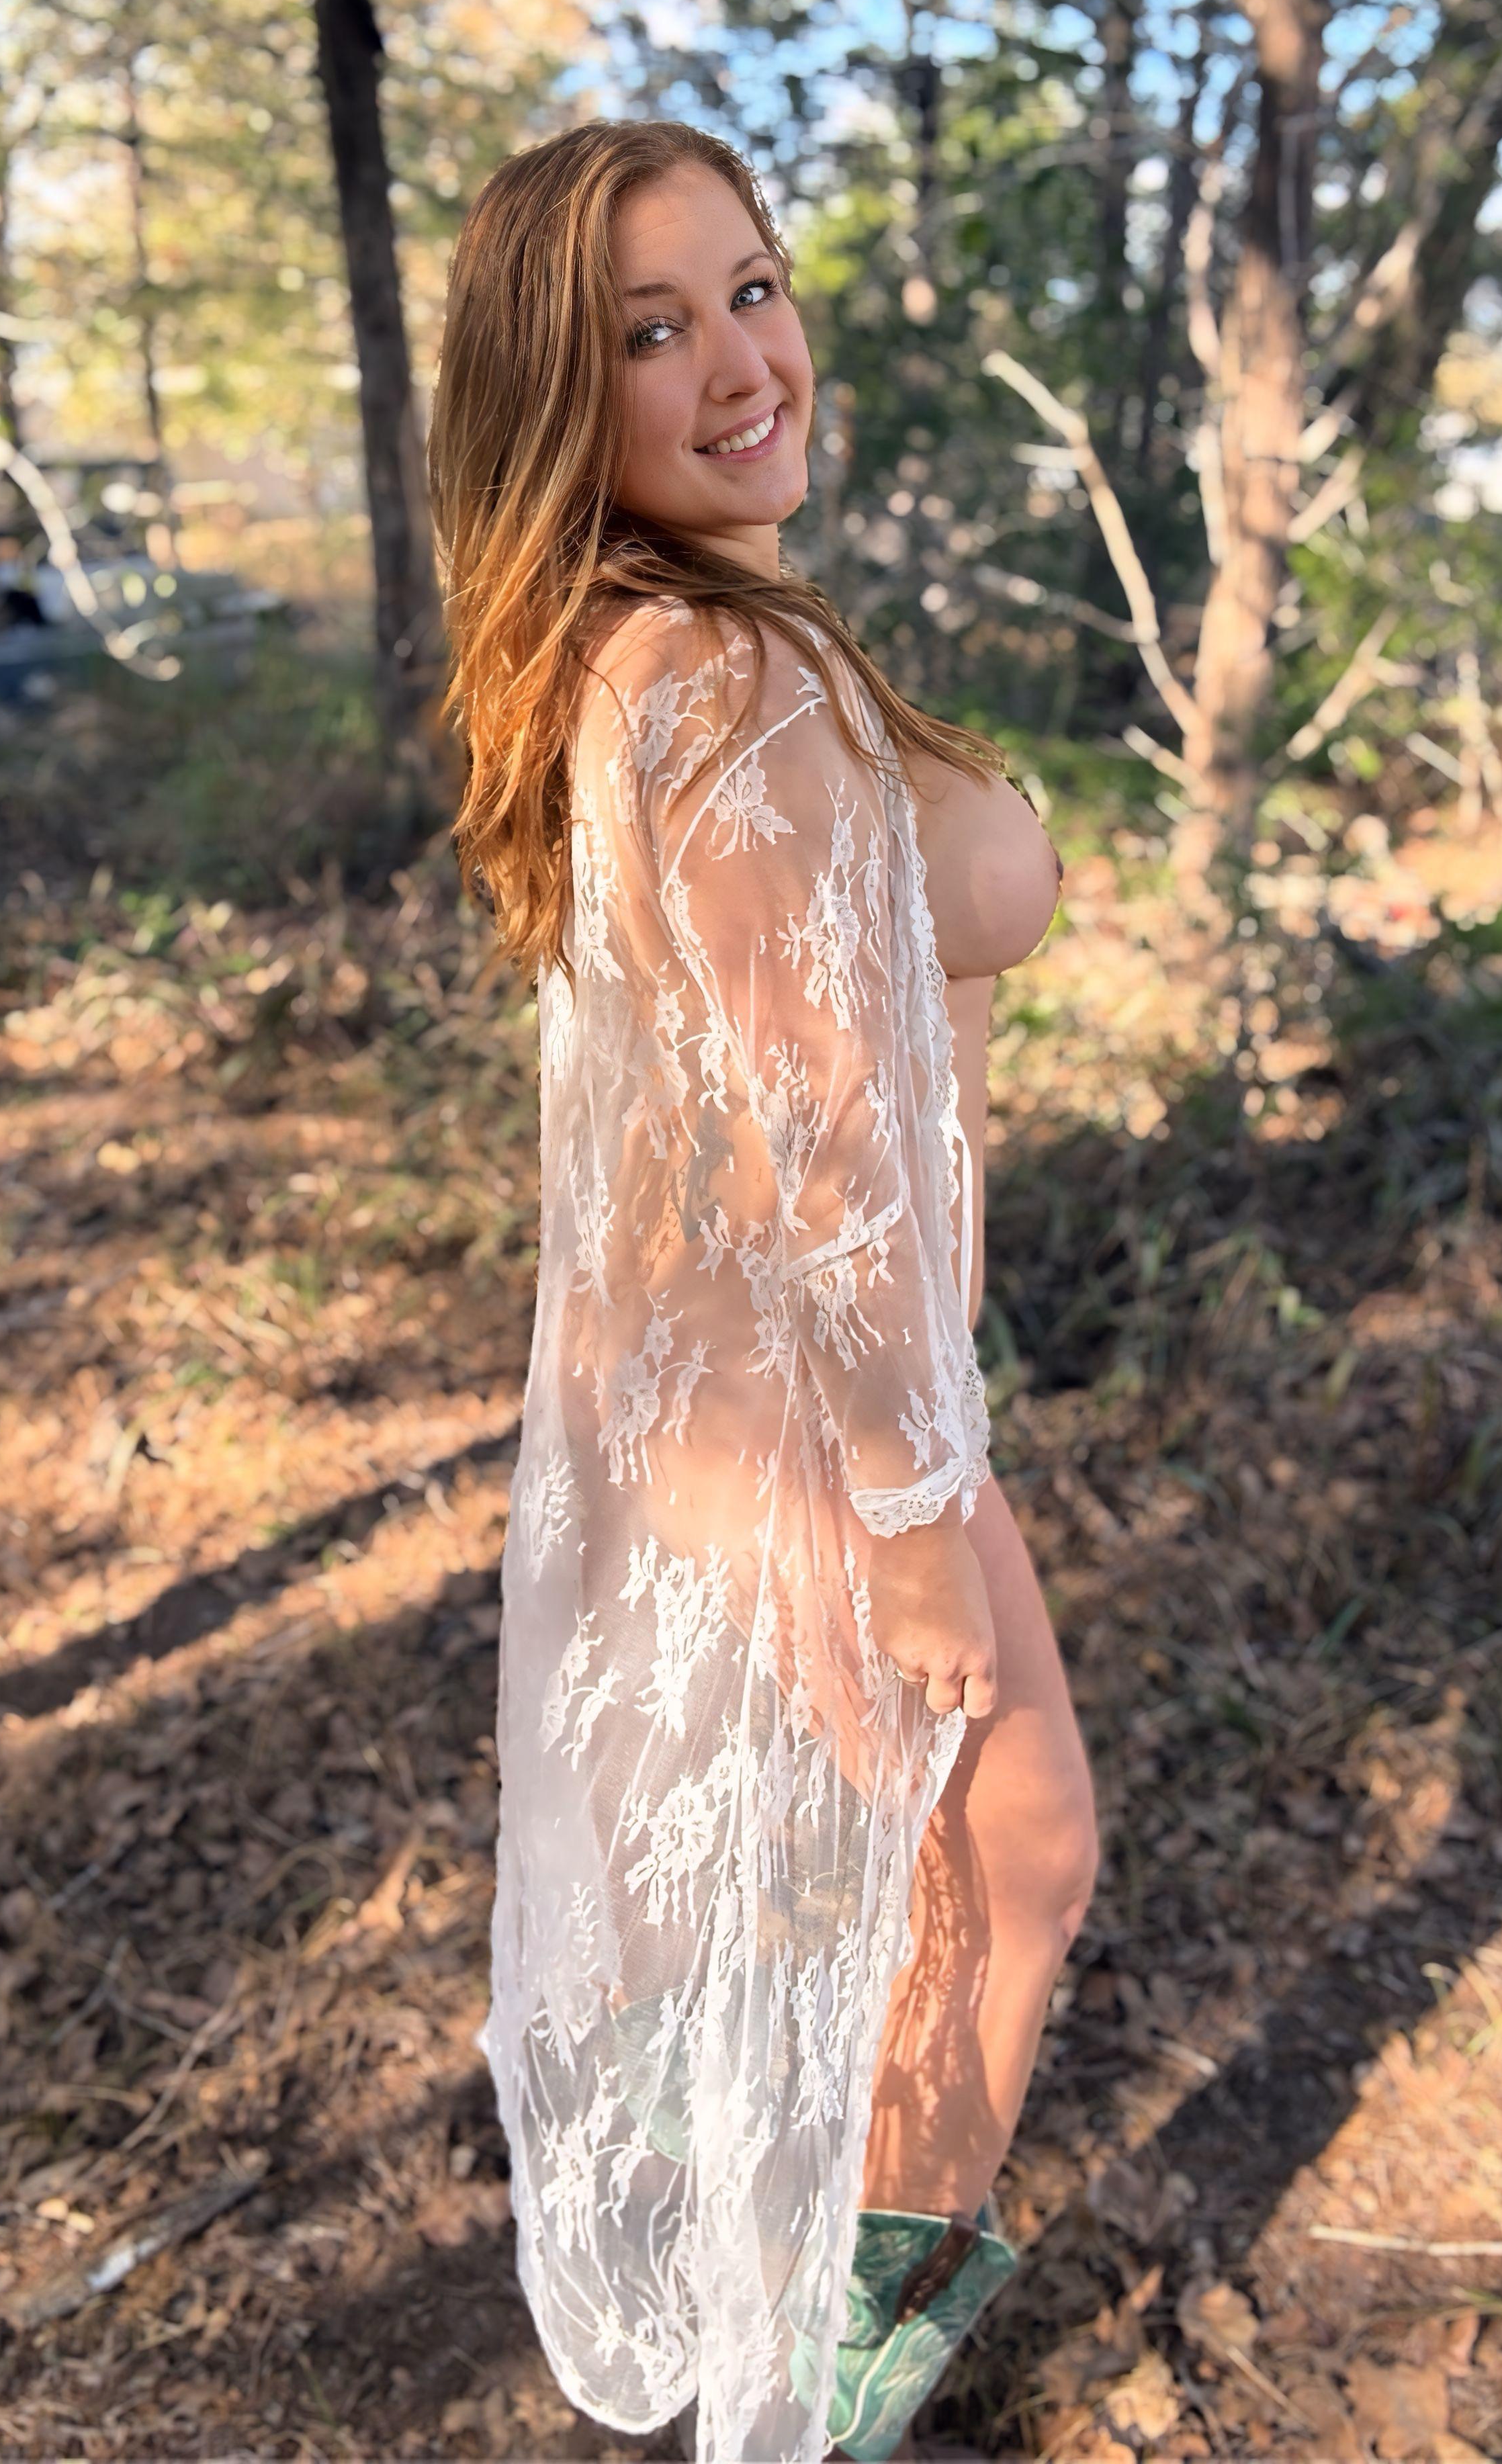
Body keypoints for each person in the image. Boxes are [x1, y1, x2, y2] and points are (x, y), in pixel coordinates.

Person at [429, 120, 1100, 2464]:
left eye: (753, 289)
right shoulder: (717, 672)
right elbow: (820, 1145)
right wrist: (904, 1508)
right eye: (652, 330)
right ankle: (807, 2398)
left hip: (775, 1407)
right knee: (1003, 1857)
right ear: (560, 398)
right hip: (823, 1419)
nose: (742, 362)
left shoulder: (678, 642)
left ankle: (794, 2353)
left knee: (883, 1894)